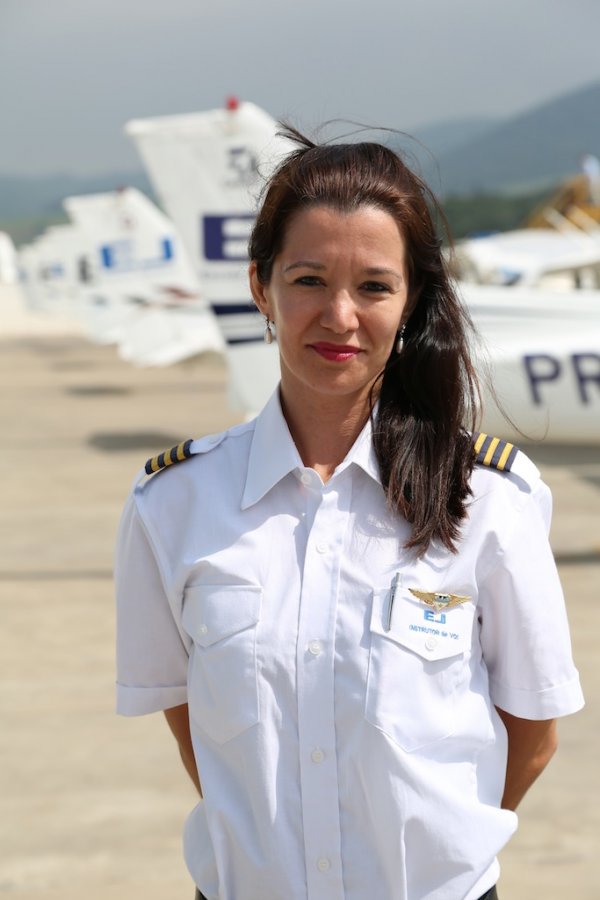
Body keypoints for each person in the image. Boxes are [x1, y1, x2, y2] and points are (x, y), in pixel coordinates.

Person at [115, 128, 584, 900]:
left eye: (373, 286)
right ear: (261, 287)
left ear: (411, 300)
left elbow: (533, 734)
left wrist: (436, 857)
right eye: (308, 280)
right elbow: (189, 718)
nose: (339, 315)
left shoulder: (490, 499)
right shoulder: (173, 503)